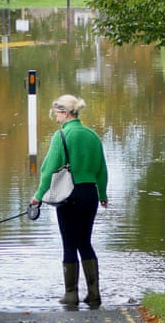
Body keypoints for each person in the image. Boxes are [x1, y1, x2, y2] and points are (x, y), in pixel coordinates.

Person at [30, 94, 109, 308]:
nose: (55, 119)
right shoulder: (92, 135)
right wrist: (102, 195)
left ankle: (71, 294)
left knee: (69, 243)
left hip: (69, 196)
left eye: (56, 114)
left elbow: (48, 170)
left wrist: (38, 196)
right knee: (85, 242)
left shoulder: (62, 136)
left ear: (65, 113)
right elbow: (102, 170)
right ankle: (94, 294)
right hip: (90, 194)